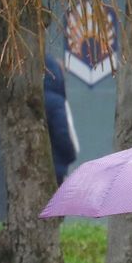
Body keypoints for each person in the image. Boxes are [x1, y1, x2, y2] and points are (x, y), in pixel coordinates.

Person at [43, 54, 78, 185]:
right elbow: (62, 132)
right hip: (54, 167)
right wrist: (70, 155)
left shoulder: (28, 99)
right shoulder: (56, 102)